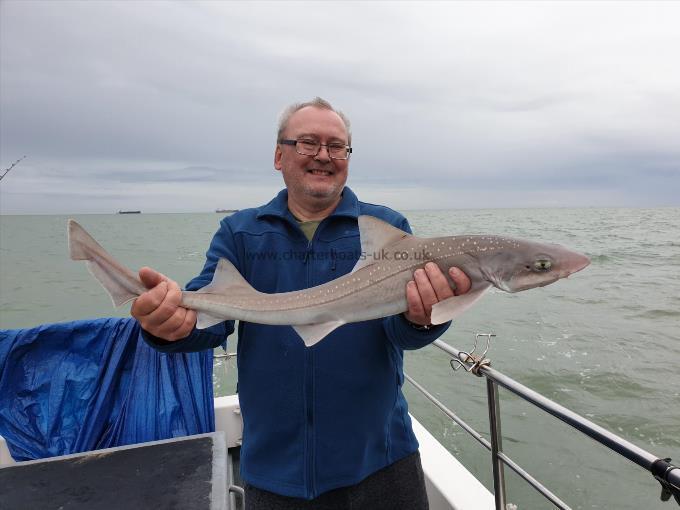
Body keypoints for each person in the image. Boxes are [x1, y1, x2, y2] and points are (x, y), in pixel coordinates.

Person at [133, 98, 471, 510]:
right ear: (279, 155)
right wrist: (168, 326)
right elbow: (211, 322)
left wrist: (423, 319)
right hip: (276, 467)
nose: (324, 156)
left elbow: (400, 333)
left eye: (337, 146)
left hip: (379, 459)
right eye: (308, 143)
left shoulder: (387, 229)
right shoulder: (241, 233)